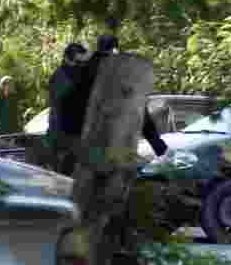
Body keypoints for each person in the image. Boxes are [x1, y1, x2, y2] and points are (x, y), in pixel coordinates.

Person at [61, 34, 167, 169]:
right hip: (111, 141)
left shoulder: (82, 70)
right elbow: (137, 109)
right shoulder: (120, 71)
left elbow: (68, 102)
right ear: (115, 50)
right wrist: (158, 146)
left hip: (83, 141)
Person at [43, 42, 88, 173]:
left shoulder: (78, 73)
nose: (81, 63)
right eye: (78, 60)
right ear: (70, 58)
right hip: (63, 136)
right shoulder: (61, 76)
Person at [0, 76, 21, 140]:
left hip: (12, 130)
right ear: (3, 85)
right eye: (9, 84)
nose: (12, 86)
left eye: (12, 84)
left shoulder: (14, 98)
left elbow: (15, 115)